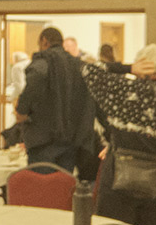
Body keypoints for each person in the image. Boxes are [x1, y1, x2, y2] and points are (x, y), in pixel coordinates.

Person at [78, 45, 156, 225]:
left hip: (120, 180)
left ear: (142, 65)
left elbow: (86, 69)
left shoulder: (124, 91)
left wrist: (127, 68)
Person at [18, 26, 99, 179]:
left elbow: (31, 88)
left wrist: (21, 111)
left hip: (42, 139)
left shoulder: (41, 63)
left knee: (41, 188)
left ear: (44, 41)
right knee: (62, 186)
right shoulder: (77, 65)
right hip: (70, 139)